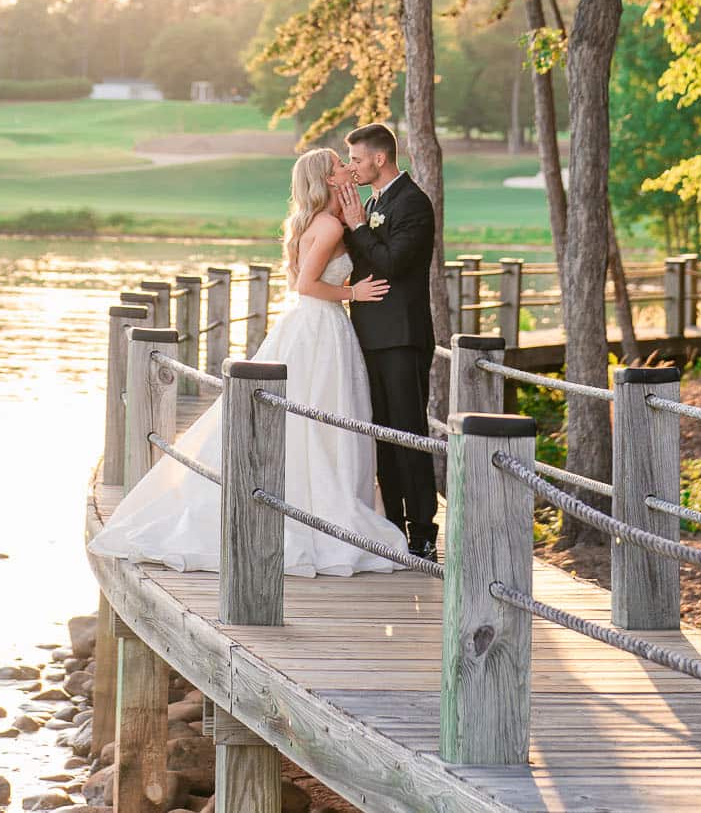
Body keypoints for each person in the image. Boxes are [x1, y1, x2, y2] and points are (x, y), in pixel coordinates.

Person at [87, 147, 410, 576]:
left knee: (315, 416)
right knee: (318, 416)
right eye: (339, 165)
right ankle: (319, 512)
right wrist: (354, 293)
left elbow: (297, 278)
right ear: (329, 180)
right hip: (321, 328)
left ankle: (306, 500)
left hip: (312, 327)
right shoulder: (330, 225)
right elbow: (307, 285)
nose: (348, 169)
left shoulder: (311, 222)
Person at [331, 123, 438, 561]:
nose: (352, 167)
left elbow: (391, 263)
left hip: (401, 338)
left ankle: (424, 533)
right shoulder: (372, 202)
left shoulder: (413, 203)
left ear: (379, 158)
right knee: (381, 434)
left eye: (356, 159)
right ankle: (392, 525)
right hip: (369, 337)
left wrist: (358, 227)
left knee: (409, 435)